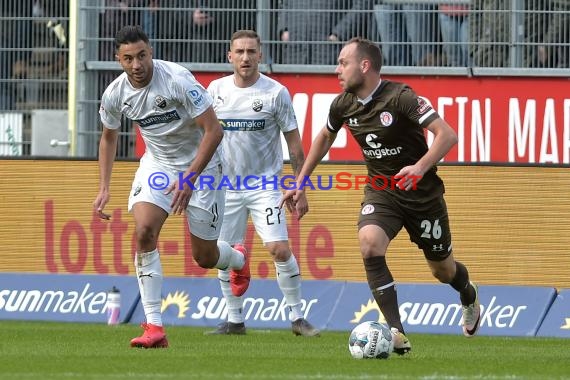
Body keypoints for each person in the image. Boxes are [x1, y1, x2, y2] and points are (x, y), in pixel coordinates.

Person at [280, 37, 481, 353]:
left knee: (443, 271)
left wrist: (420, 167)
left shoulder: (401, 97)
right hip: (382, 191)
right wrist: (301, 181)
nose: (337, 70)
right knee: (369, 243)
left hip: (422, 195)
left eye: (343, 63)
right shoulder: (343, 103)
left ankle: (468, 294)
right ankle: (396, 333)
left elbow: (447, 135)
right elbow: (323, 137)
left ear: (365, 65)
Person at [93, 25, 250, 348]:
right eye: (128, 59)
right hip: (158, 166)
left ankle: (236, 259)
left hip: (203, 166)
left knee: (204, 257)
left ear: (151, 52)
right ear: (118, 60)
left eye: (141, 56)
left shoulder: (177, 80)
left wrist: (191, 177)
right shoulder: (115, 93)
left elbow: (214, 131)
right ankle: (154, 326)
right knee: (144, 232)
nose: (136, 65)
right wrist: (104, 187)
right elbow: (109, 136)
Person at [205, 29, 320, 337]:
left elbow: (295, 146)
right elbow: (201, 136)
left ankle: (297, 317)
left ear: (260, 55)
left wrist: (300, 188)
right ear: (229, 56)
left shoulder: (275, 93)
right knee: (224, 253)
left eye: (251, 52)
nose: (245, 57)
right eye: (239, 51)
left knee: (279, 249)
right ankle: (234, 320)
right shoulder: (215, 90)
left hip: (265, 185)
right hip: (224, 187)